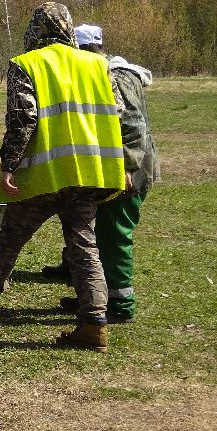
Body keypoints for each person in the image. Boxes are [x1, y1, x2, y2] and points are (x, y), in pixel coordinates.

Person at [0, 2, 126, 351]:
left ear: (35, 29)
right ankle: (94, 322)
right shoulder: (98, 64)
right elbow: (119, 112)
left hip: (43, 175)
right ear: (68, 28)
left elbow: (23, 121)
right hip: (89, 172)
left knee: (10, 239)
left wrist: (8, 166)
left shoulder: (27, 65)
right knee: (85, 246)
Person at [53, 23, 160, 323]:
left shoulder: (117, 77)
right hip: (110, 169)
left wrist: (125, 167)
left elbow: (132, 127)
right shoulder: (104, 72)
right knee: (99, 237)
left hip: (127, 173)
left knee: (114, 238)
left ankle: (120, 306)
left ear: (85, 50)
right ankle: (93, 297)